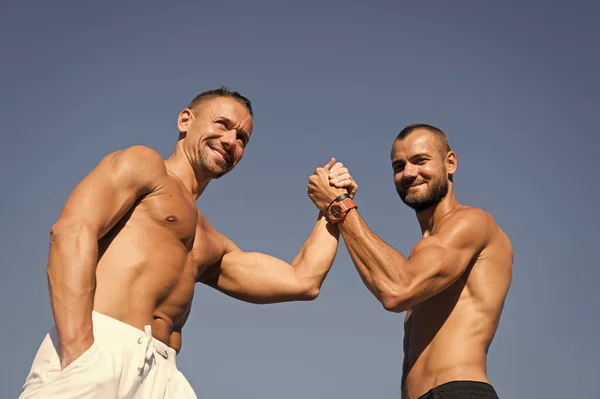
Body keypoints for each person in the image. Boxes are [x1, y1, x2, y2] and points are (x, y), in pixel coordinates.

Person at [19, 87, 356, 398]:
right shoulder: (145, 166)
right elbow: (71, 232)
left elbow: (303, 281)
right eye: (222, 125)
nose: (230, 140)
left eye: (242, 138)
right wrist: (79, 349)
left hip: (164, 375)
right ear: (185, 120)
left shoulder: (209, 241)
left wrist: (334, 206)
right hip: (100, 349)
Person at [308, 124, 513, 399]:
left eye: (420, 161)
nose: (409, 173)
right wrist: (335, 208)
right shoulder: (425, 251)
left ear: (450, 163)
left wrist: (340, 205)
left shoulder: (472, 222)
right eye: (399, 165)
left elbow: (396, 290)